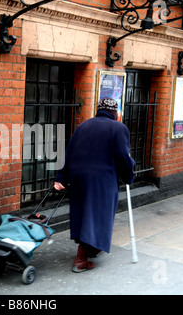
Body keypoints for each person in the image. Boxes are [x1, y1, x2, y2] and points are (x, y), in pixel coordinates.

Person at [54, 98, 135, 273]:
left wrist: (61, 177)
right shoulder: (119, 128)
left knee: (84, 213)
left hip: (79, 177)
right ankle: (81, 259)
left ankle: (92, 246)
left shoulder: (83, 126)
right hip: (101, 180)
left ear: (99, 110)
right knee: (99, 215)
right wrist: (129, 175)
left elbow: (69, 153)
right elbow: (123, 156)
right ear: (114, 112)